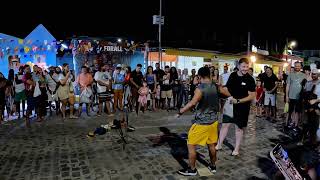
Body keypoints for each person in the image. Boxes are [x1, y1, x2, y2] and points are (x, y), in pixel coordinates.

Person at [176, 67, 230, 176]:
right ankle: (213, 166)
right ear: (210, 75)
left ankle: (192, 170)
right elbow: (228, 94)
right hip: (213, 121)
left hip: (201, 122)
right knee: (211, 145)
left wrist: (180, 112)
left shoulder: (200, 88)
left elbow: (192, 103)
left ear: (199, 76)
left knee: (191, 144)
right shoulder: (216, 86)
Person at [216, 58, 256, 156]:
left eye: (247, 67)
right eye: (243, 66)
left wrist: (238, 101)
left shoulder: (250, 79)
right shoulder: (233, 75)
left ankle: (236, 148)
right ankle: (219, 144)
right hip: (230, 104)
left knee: (238, 128)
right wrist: (222, 90)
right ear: (238, 66)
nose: (245, 69)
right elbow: (227, 88)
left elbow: (252, 95)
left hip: (243, 107)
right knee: (225, 124)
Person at [302, 69, 320, 146]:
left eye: (315, 74)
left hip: (317, 107)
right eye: (312, 74)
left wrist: (315, 101)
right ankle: (306, 139)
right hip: (307, 107)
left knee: (315, 125)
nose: (313, 75)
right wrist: (305, 107)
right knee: (306, 124)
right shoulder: (308, 83)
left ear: (318, 75)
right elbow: (304, 94)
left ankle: (314, 142)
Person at [286, 62, 306, 128]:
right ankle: (290, 122)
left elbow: (306, 86)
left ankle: (296, 124)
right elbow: (288, 86)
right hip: (291, 96)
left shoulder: (304, 75)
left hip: (299, 97)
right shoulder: (290, 75)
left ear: (301, 67)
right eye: (296, 66)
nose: (297, 67)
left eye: (298, 66)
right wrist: (287, 95)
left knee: (297, 111)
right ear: (294, 66)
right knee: (290, 110)